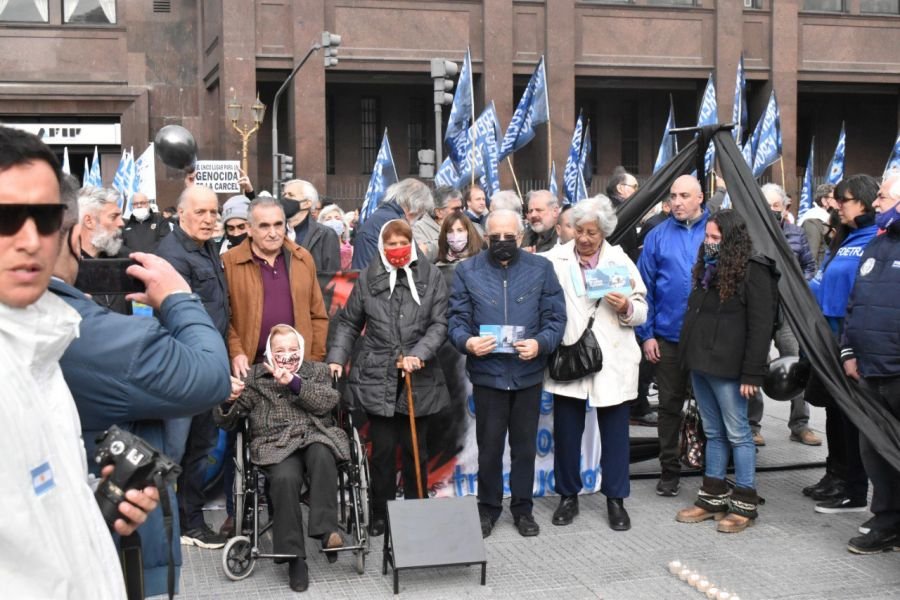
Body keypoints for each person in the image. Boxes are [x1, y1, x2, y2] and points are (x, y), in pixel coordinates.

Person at [0, 125, 158, 598]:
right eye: (6, 217)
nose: (30, 239)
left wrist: (92, 501)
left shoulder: (42, 348)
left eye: (46, 218)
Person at [50, 186, 231, 595]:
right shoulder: (71, 325)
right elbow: (208, 378)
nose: (123, 224)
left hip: (93, 517)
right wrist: (179, 298)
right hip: (110, 560)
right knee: (179, 454)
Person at [448, 209, 566, 538]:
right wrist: (468, 342)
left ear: (521, 236)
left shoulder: (542, 269)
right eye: (495, 237)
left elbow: (556, 319)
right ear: (486, 238)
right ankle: (487, 508)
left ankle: (523, 509)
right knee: (489, 447)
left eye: (509, 237)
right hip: (488, 375)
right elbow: (456, 320)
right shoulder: (467, 271)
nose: (502, 242)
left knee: (525, 447)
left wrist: (540, 344)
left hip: (527, 374)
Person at [328, 219, 450, 536]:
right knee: (381, 451)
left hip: (417, 376)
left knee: (415, 449)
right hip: (376, 374)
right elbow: (349, 323)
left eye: (402, 242)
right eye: (391, 243)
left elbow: (439, 324)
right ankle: (381, 514)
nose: (397, 249)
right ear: (382, 246)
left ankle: (416, 511)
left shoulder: (430, 275)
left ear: (412, 243)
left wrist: (419, 354)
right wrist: (337, 358)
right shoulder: (370, 277)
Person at [541, 195, 647, 531]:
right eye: (580, 231)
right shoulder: (553, 260)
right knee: (567, 433)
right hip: (571, 354)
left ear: (604, 233)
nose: (585, 239)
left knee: (615, 434)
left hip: (612, 359)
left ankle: (616, 500)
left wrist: (626, 307)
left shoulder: (620, 260)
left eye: (593, 233)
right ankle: (568, 496)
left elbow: (643, 310)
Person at [216, 325, 348, 592]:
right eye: (280, 351)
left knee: (323, 454)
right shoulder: (255, 376)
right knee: (285, 478)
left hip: (314, 434)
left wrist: (295, 383)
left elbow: (328, 402)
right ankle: (294, 558)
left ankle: (326, 531)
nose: (287, 355)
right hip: (275, 442)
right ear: (269, 352)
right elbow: (227, 422)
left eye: (292, 349)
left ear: (300, 349)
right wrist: (228, 401)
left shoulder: (317, 371)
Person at [675, 210, 777, 533]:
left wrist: (752, 374)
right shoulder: (709, 270)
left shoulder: (753, 271)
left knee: (738, 434)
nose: (709, 243)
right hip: (701, 364)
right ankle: (712, 497)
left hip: (730, 369)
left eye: (716, 238)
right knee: (713, 432)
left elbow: (761, 327)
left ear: (731, 239)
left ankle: (745, 502)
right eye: (707, 237)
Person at [156, 184, 231, 549]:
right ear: (180, 213)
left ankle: (187, 522)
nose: (209, 219)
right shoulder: (172, 255)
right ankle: (179, 525)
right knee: (177, 450)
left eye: (213, 212)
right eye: (200, 212)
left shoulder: (208, 247)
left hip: (206, 365)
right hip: (187, 369)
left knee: (199, 446)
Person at [804, 174, 879, 514]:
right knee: (834, 414)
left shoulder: (874, 240)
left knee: (851, 419)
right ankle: (836, 474)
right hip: (829, 338)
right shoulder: (846, 237)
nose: (836, 205)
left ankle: (854, 486)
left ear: (863, 202)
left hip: (850, 342)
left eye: (843, 200)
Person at [636, 174, 709, 497]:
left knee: (711, 406)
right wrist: (647, 334)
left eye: (684, 196)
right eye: (673, 196)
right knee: (669, 406)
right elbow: (643, 288)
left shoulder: (715, 231)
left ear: (700, 198)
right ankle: (669, 470)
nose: (677, 202)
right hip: (666, 337)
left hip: (709, 339)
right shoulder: (657, 236)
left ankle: (713, 471)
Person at [840, 171, 900, 554]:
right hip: (869, 371)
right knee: (874, 450)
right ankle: (887, 520)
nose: (875, 203)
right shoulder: (878, 244)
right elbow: (856, 301)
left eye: (882, 196)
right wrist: (848, 351)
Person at [746, 184, 820, 447]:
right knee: (756, 364)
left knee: (797, 365)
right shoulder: (750, 234)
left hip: (788, 312)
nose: (771, 211)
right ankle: (752, 425)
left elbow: (810, 267)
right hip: (759, 311)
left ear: (785, 207)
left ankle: (800, 424)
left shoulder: (797, 234)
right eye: (767, 207)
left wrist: (798, 285)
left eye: (776, 206)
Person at [224, 196, 329, 375]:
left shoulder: (302, 258)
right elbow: (225, 318)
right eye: (264, 226)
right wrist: (236, 352)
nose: (273, 233)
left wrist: (313, 360)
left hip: (298, 372)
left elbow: (317, 314)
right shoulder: (229, 263)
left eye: (278, 224)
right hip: (250, 370)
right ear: (249, 229)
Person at [74, 185, 132, 314]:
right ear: (89, 221)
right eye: (114, 216)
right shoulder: (67, 268)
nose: (121, 223)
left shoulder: (125, 258)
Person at [352, 178, 434, 270]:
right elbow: (414, 266)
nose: (419, 217)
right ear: (417, 207)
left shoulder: (381, 217)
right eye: (421, 212)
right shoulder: (395, 224)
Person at [281, 179, 341, 273]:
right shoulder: (277, 232)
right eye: (284, 195)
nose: (285, 198)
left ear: (307, 203)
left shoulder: (325, 235)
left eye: (290, 195)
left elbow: (331, 278)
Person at [414, 185, 463, 261]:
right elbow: (422, 257)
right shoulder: (417, 229)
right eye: (455, 209)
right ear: (439, 212)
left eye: (461, 208)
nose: (461, 212)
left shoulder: (466, 224)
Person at [606, 169, 641, 261]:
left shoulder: (610, 206)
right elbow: (626, 247)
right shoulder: (619, 211)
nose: (637, 191)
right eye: (635, 187)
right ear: (620, 188)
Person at [798, 183, 836, 268]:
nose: (838, 202)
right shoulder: (812, 219)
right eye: (834, 198)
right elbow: (811, 256)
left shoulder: (827, 217)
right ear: (824, 201)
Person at [318, 203, 354, 270]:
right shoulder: (317, 250)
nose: (333, 221)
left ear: (343, 226)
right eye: (328, 219)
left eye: (337, 218)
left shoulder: (352, 251)